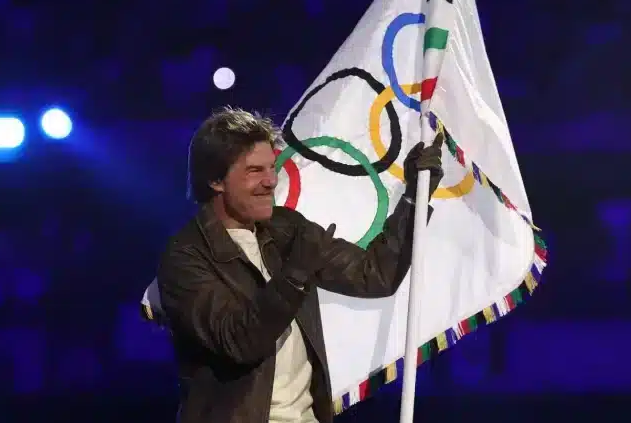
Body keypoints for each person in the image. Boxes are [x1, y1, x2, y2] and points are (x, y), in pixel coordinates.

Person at [157, 107, 444, 423]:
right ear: (215, 180)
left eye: (271, 168)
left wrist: (414, 199)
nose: (271, 181)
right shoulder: (186, 256)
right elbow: (239, 341)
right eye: (255, 171)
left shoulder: (286, 228)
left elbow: (374, 275)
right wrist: (294, 276)